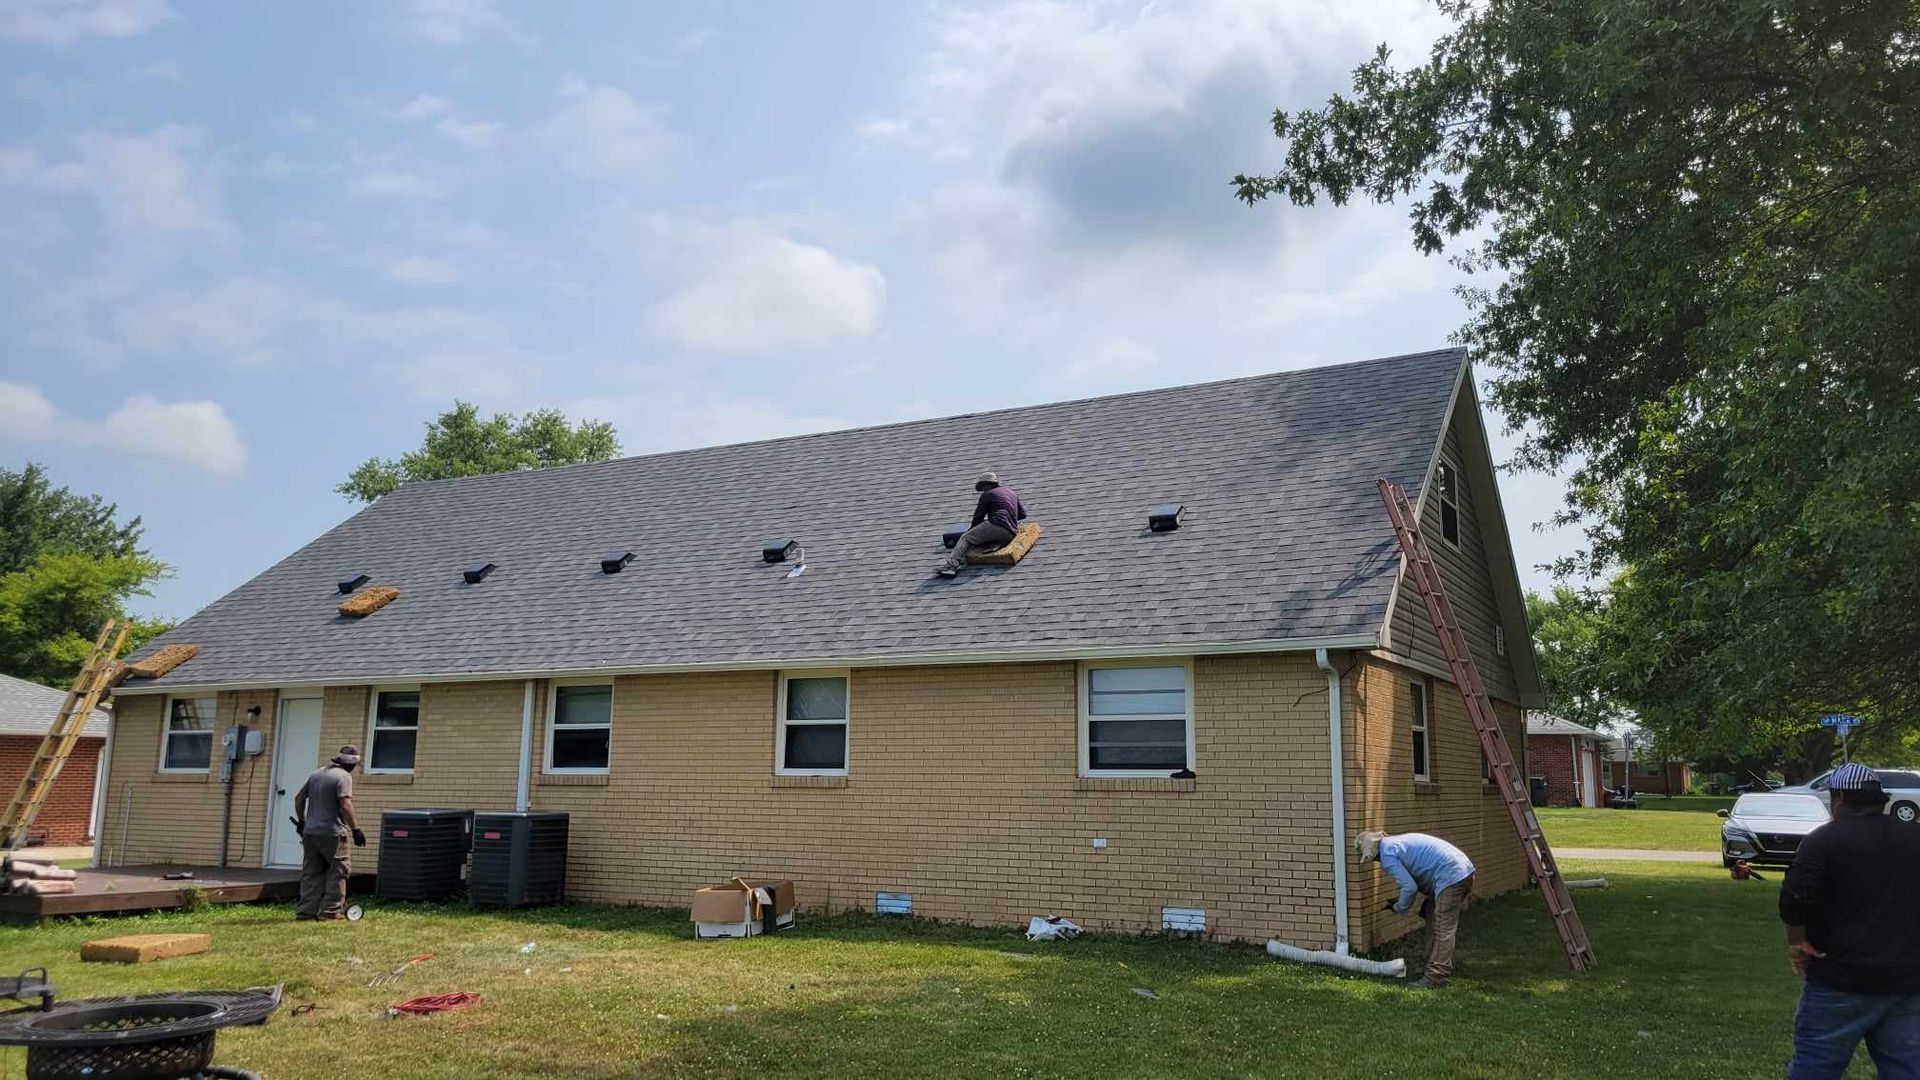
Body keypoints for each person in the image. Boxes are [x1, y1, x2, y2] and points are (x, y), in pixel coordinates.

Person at [1779, 762, 1920, 1078]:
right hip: (1909, 982)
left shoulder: (1823, 841)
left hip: (1839, 978)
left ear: (1839, 797)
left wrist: (1797, 941)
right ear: (1879, 798)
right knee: (1907, 1068)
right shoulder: (1915, 836)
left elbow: (1795, 898)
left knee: (1816, 1065)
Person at [1356, 829, 1475, 989]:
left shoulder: (1387, 854)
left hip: (1451, 875)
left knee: (1441, 929)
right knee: (1433, 922)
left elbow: (1410, 887)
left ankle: (1436, 978)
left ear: (1372, 852)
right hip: (1459, 871)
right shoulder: (1395, 844)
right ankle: (1432, 968)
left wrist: (1400, 907)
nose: (1376, 862)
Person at [291, 745, 366, 921]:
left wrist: (302, 821)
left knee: (312, 872)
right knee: (338, 871)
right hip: (333, 833)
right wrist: (356, 829)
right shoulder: (344, 776)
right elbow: (345, 804)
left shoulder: (317, 774)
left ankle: (306, 912)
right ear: (351, 764)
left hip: (310, 833)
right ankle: (331, 912)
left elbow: (299, 798)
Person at [936, 471, 1027, 577]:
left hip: (997, 525)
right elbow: (1022, 515)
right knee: (984, 532)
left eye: (983, 487)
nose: (983, 490)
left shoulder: (987, 494)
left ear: (987, 484)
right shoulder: (1012, 493)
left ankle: (951, 566)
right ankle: (995, 543)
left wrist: (970, 531)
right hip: (1010, 533)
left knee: (966, 537)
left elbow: (978, 517)